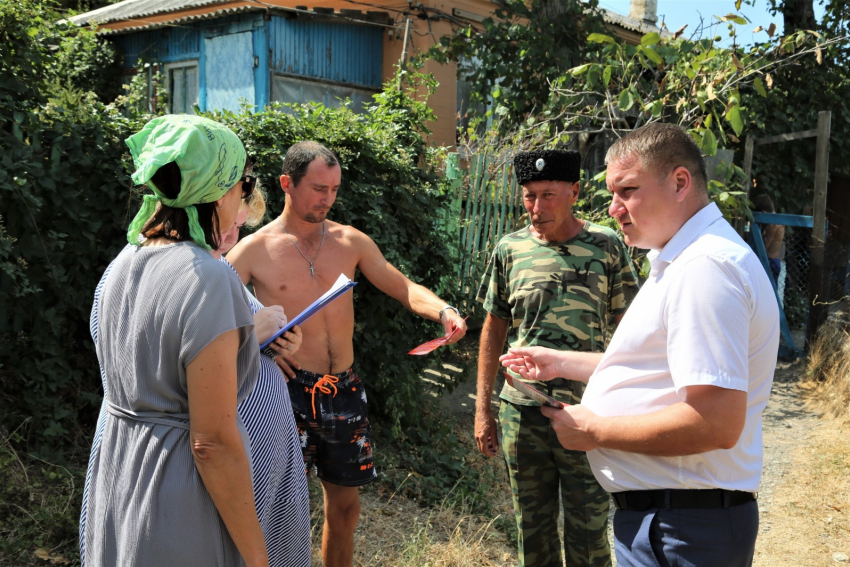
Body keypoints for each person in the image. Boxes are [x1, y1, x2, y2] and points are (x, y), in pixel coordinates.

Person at [501, 123, 780, 567]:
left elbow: (716, 422)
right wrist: (560, 363)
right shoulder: (684, 260)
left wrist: (593, 432)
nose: (614, 208)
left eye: (627, 190)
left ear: (680, 183)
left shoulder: (704, 268)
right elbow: (661, 368)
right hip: (673, 518)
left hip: (684, 526)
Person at [227, 140, 468, 567]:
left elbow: (403, 286)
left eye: (335, 189)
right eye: (319, 188)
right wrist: (257, 349)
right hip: (285, 391)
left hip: (343, 389)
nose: (328, 198)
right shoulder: (252, 250)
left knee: (346, 510)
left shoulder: (350, 240)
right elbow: (214, 321)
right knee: (279, 511)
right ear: (287, 183)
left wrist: (444, 311)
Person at [81, 115, 268, 567]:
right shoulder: (208, 279)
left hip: (116, 480)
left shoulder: (125, 260)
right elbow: (212, 443)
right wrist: (261, 558)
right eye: (241, 184)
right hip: (177, 498)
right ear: (218, 191)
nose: (242, 195)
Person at [475, 149, 639, 567]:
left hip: (589, 412)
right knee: (532, 533)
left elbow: (632, 332)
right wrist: (484, 409)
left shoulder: (606, 246)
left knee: (589, 533)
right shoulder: (509, 250)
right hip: (523, 414)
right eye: (529, 196)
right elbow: (493, 330)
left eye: (548, 194)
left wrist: (628, 406)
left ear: (575, 192)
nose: (537, 207)